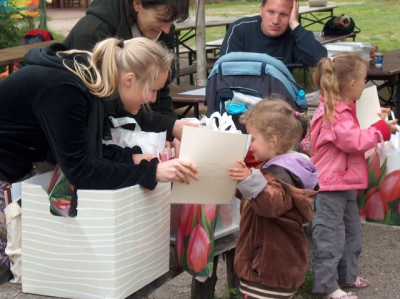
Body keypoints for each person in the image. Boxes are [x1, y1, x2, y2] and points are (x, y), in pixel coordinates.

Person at [0, 37, 199, 281]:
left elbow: (87, 149)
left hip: (19, 165)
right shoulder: (66, 91)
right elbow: (81, 170)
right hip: (8, 170)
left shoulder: (91, 82)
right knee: (16, 270)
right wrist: (152, 172)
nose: (154, 100)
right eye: (154, 90)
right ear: (129, 81)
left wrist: (136, 159)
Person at [302, 53, 398, 299]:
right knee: (330, 236)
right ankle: (327, 285)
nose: (365, 85)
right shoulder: (335, 114)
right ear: (351, 84)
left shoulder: (342, 108)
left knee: (351, 232)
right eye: (364, 80)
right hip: (329, 186)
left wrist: (376, 119)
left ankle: (345, 276)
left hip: (342, 183)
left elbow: (354, 132)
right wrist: (381, 130)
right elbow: (353, 141)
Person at [227, 97, 319, 299]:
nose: (249, 144)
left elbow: (270, 203)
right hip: (277, 268)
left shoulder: (281, 174)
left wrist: (249, 179)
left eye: (253, 138)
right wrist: (240, 183)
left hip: (266, 271)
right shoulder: (284, 168)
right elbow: (258, 198)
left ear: (273, 140)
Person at [64, 0, 189, 120]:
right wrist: (164, 125)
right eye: (161, 19)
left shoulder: (162, 30)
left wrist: (169, 126)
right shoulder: (94, 32)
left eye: (171, 21)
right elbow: (100, 101)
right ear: (137, 3)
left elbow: (159, 87)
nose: (167, 29)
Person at [219, 0, 327, 66]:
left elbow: (319, 59)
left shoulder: (293, 35)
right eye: (271, 12)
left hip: (279, 99)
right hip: (242, 97)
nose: (276, 21)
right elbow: (225, 68)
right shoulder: (240, 30)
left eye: (284, 14)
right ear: (261, 10)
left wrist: (295, 24)